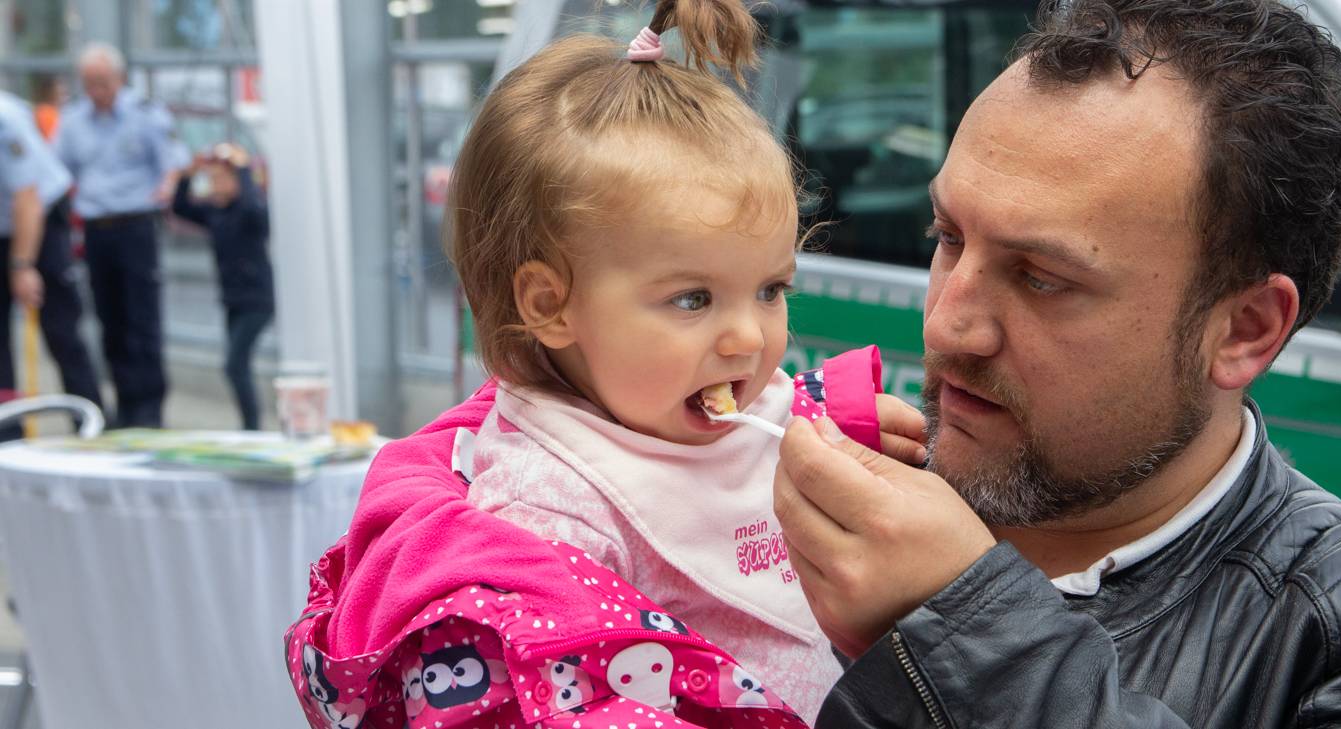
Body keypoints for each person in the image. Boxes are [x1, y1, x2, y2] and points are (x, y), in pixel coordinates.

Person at [768, 0, 1341, 726]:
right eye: (950, 237)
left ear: (1244, 330)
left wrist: (963, 628)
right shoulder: (826, 509)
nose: (949, 324)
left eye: (1042, 278)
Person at [283, 2, 921, 727]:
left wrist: (831, 420)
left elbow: (765, 420)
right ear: (553, 306)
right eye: (692, 299)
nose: (748, 338)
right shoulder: (543, 510)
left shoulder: (679, 401)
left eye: (771, 289)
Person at [55, 43, 187, 428]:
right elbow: (58, 171)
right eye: (89, 83)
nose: (97, 91)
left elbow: (173, 163)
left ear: (119, 79)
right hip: (97, 232)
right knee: (109, 319)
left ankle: (148, 406)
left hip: (136, 226)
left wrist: (165, 187)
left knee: (142, 319)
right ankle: (124, 402)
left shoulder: (144, 115)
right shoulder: (74, 121)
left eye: (103, 82)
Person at [0, 87, 103, 440]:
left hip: (40, 220)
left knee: (61, 331)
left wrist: (22, 265)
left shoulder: (5, 118)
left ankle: (91, 428)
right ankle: (8, 438)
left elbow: (28, 200)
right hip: (4, 223)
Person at [171, 144, 273, 430]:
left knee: (235, 364)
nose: (216, 185)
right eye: (212, 179)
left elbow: (254, 207)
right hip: (232, 300)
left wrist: (241, 168)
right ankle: (249, 425)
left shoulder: (249, 211)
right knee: (237, 367)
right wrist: (187, 176)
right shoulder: (216, 213)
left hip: (257, 300)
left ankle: (252, 428)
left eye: (221, 179)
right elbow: (180, 207)